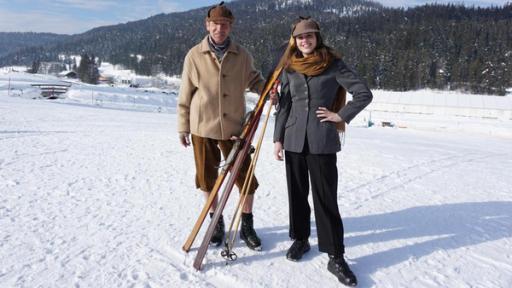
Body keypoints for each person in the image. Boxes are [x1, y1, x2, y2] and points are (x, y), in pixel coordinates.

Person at [272, 17, 373, 286]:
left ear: (318, 38)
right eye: (300, 37)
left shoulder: (333, 64)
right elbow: (284, 105)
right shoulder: (290, 67)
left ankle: (335, 256)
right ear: (295, 41)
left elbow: (363, 93)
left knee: (325, 199)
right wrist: (277, 138)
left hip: (322, 142)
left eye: (310, 36)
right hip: (293, 140)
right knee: (297, 194)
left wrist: (339, 116)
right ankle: (301, 239)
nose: (305, 41)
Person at [177, 2, 265, 250]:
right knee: (207, 179)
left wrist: (268, 91)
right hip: (202, 126)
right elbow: (185, 93)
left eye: (225, 24)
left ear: (230, 26)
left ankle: (247, 224)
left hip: (236, 128)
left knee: (246, 177)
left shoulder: (242, 54)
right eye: (215, 24)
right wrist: (182, 127)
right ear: (207, 25)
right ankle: (216, 223)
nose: (220, 28)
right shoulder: (195, 55)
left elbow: (255, 79)